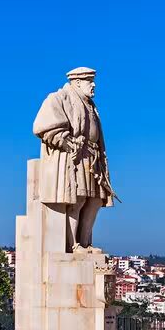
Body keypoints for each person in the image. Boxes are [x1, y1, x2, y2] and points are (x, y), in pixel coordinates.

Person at [32, 67, 116, 253]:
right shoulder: (59, 98)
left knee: (95, 200)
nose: (94, 85)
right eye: (89, 81)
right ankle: (73, 245)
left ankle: (85, 242)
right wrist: (66, 141)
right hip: (75, 157)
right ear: (77, 82)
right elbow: (42, 126)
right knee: (77, 200)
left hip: (93, 157)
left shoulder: (90, 105)